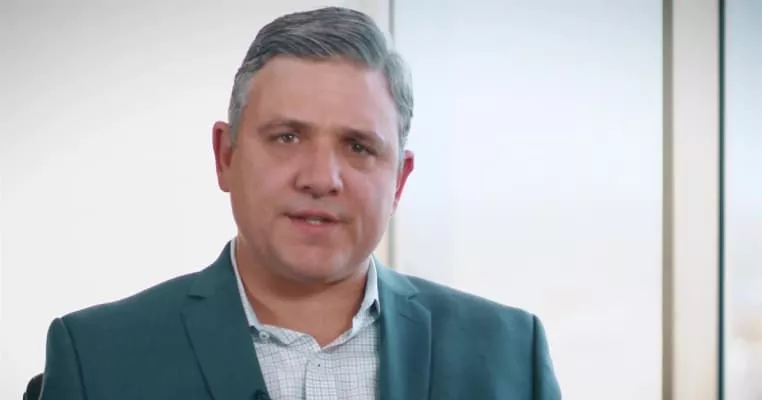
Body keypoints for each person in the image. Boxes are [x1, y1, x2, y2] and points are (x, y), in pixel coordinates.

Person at [39, 6, 561, 400]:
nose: (320, 179)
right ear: (225, 156)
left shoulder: (511, 355)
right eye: (287, 137)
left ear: (399, 181)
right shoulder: (97, 358)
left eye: (358, 147)